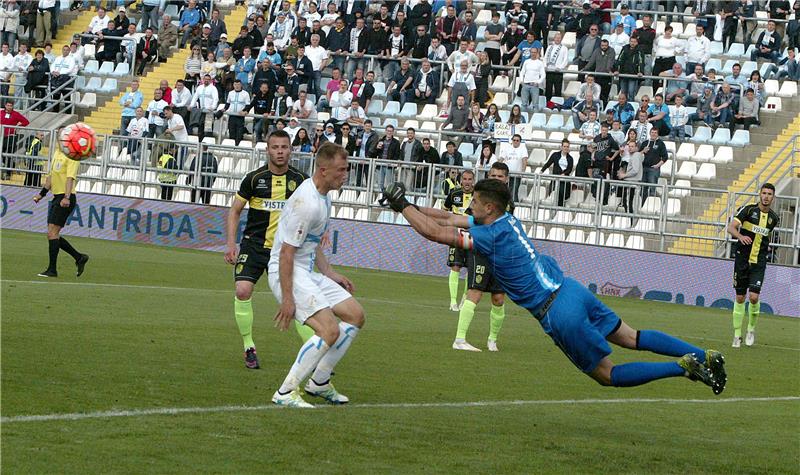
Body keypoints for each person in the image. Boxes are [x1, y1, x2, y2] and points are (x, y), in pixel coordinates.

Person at [379, 180, 727, 394]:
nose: (467, 206)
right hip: (572, 288)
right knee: (632, 337)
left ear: (487, 207)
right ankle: (702, 352)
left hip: (559, 313)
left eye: (473, 202)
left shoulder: (488, 236)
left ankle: (681, 367)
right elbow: (448, 217)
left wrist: (401, 207)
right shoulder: (505, 220)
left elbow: (436, 232)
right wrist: (408, 203)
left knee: (608, 376)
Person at [269, 142, 364, 407]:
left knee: (355, 316)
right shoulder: (306, 203)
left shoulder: (324, 196)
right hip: (286, 272)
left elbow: (310, 243)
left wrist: (329, 273)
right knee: (328, 330)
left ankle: (319, 382)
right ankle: (286, 392)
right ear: (323, 170)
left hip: (305, 271)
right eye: (341, 170)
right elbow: (286, 253)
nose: (345, 175)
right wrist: (287, 298)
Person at [223, 130, 312, 369]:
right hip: (254, 245)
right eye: (275, 147)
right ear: (268, 150)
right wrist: (231, 244)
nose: (280, 151)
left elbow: (312, 211)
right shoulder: (254, 179)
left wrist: (318, 233)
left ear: (291, 150)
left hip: (286, 251)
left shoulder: (302, 181)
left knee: (297, 301)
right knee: (242, 290)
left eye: (284, 147)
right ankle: (249, 347)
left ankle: (314, 354)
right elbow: (235, 211)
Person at [451, 162, 515, 352]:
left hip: (500, 255)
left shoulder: (509, 203)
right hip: (481, 251)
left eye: (500, 176)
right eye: (493, 176)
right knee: (475, 293)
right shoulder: (478, 198)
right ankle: (460, 339)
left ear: (506, 179)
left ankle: (492, 340)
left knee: (498, 298)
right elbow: (469, 220)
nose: (496, 179)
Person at [727, 183, 779, 348]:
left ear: (773, 197)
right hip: (742, 259)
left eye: (769, 194)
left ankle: (750, 329)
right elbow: (731, 228)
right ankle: (737, 335)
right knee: (740, 297)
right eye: (764, 193)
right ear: (759, 194)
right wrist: (740, 237)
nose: (766, 196)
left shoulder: (773, 218)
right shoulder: (748, 210)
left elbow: (764, 237)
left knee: (754, 297)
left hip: (759, 261)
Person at [32, 141, 90, 278]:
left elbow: (70, 179)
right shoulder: (57, 153)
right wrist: (41, 194)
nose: (61, 140)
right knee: (52, 234)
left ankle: (52, 270)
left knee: (52, 233)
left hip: (65, 198)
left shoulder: (72, 156)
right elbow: (51, 177)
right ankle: (79, 257)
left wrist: (67, 197)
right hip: (56, 197)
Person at [443, 169, 474, 312]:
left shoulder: (478, 196)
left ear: (473, 181)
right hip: (456, 236)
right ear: (461, 180)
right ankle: (452, 302)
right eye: (465, 179)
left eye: (470, 179)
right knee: (455, 266)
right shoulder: (454, 194)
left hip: (472, 237)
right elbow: (444, 210)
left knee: (470, 268)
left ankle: (465, 297)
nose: (467, 182)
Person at [541, 139, 574, 207]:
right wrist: (541, 171)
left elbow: (569, 169)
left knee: (561, 195)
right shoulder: (555, 155)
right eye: (564, 146)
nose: (566, 148)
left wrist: (564, 174)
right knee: (554, 194)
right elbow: (548, 164)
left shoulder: (570, 158)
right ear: (561, 147)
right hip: (555, 178)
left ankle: (559, 210)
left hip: (564, 180)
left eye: (567, 146)